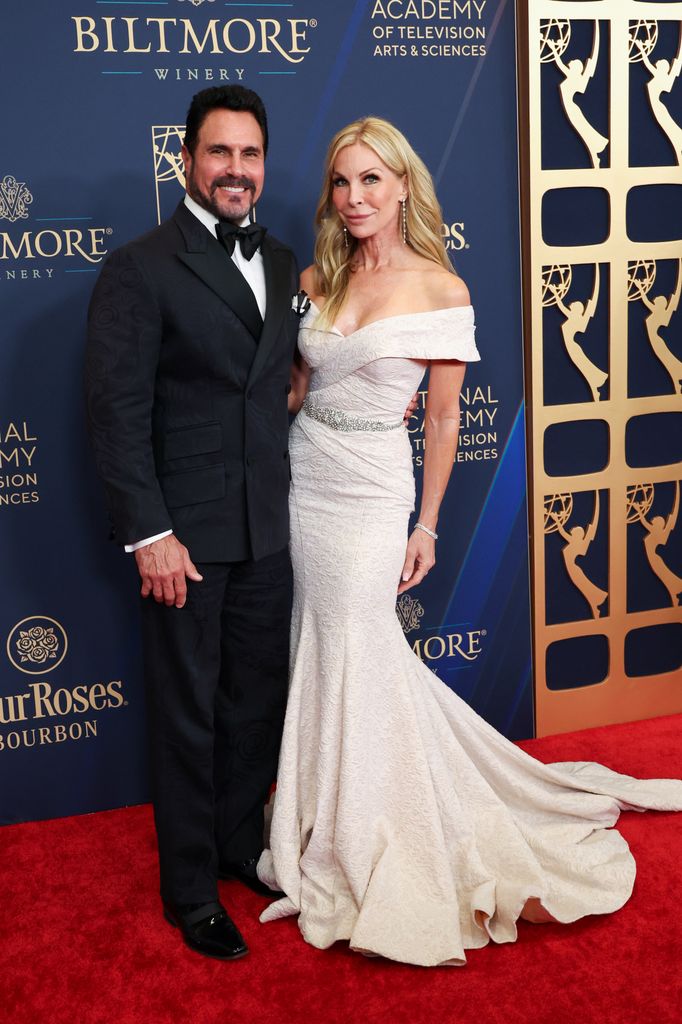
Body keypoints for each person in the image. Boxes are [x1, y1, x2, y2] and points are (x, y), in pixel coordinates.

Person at [256, 116, 682, 966]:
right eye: (342, 182)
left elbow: (444, 420)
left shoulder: (441, 289)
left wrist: (427, 524)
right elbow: (296, 390)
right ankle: (323, 811)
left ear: (402, 188)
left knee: (356, 638)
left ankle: (371, 823)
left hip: (375, 489)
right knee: (322, 640)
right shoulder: (314, 279)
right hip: (306, 478)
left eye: (371, 180)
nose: (354, 197)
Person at [85, 85, 302, 960]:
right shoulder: (140, 267)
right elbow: (116, 413)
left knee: (256, 704)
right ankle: (188, 890)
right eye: (220, 153)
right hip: (184, 537)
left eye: (250, 154)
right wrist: (150, 534)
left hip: (268, 530)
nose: (236, 170)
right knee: (187, 715)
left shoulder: (282, 259)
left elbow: (273, 389)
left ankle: (238, 845)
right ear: (186, 161)